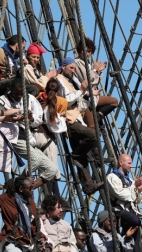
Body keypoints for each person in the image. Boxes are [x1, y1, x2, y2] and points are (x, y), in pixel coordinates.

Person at [0, 78, 59, 189]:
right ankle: (16, 185)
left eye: (21, 94)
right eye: (16, 93)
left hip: (27, 137)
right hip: (13, 137)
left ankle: (27, 189)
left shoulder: (30, 99)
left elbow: (38, 119)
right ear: (10, 89)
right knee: (35, 159)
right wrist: (17, 118)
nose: (19, 96)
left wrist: (30, 119)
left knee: (52, 170)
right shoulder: (3, 100)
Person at [55, 57, 104, 195]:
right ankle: (75, 156)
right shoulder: (58, 80)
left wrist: (87, 95)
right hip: (69, 122)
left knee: (82, 155)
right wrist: (81, 90)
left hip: (76, 118)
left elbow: (77, 102)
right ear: (63, 67)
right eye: (71, 68)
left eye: (75, 68)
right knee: (93, 136)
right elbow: (66, 101)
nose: (73, 71)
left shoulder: (69, 82)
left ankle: (88, 186)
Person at [106, 154, 142, 252]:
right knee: (136, 221)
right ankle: (126, 244)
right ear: (121, 162)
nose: (131, 166)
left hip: (130, 211)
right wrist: (134, 188)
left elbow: (137, 200)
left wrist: (139, 188)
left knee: (137, 230)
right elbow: (122, 195)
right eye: (129, 163)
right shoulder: (112, 177)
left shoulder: (130, 181)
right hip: (118, 211)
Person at [31, 78, 68, 196]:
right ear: (58, 90)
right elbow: (55, 126)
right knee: (52, 171)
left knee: (46, 168)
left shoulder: (39, 99)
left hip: (34, 136)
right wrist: (62, 118)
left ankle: (56, 199)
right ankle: (51, 200)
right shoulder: (59, 102)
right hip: (46, 139)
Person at [75, 37, 118, 128]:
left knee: (114, 101)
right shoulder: (77, 63)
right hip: (85, 99)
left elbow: (94, 82)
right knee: (92, 126)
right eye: (85, 50)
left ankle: (99, 115)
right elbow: (87, 80)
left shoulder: (87, 63)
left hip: (94, 97)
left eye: (90, 52)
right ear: (80, 50)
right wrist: (95, 70)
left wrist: (98, 71)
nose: (87, 53)